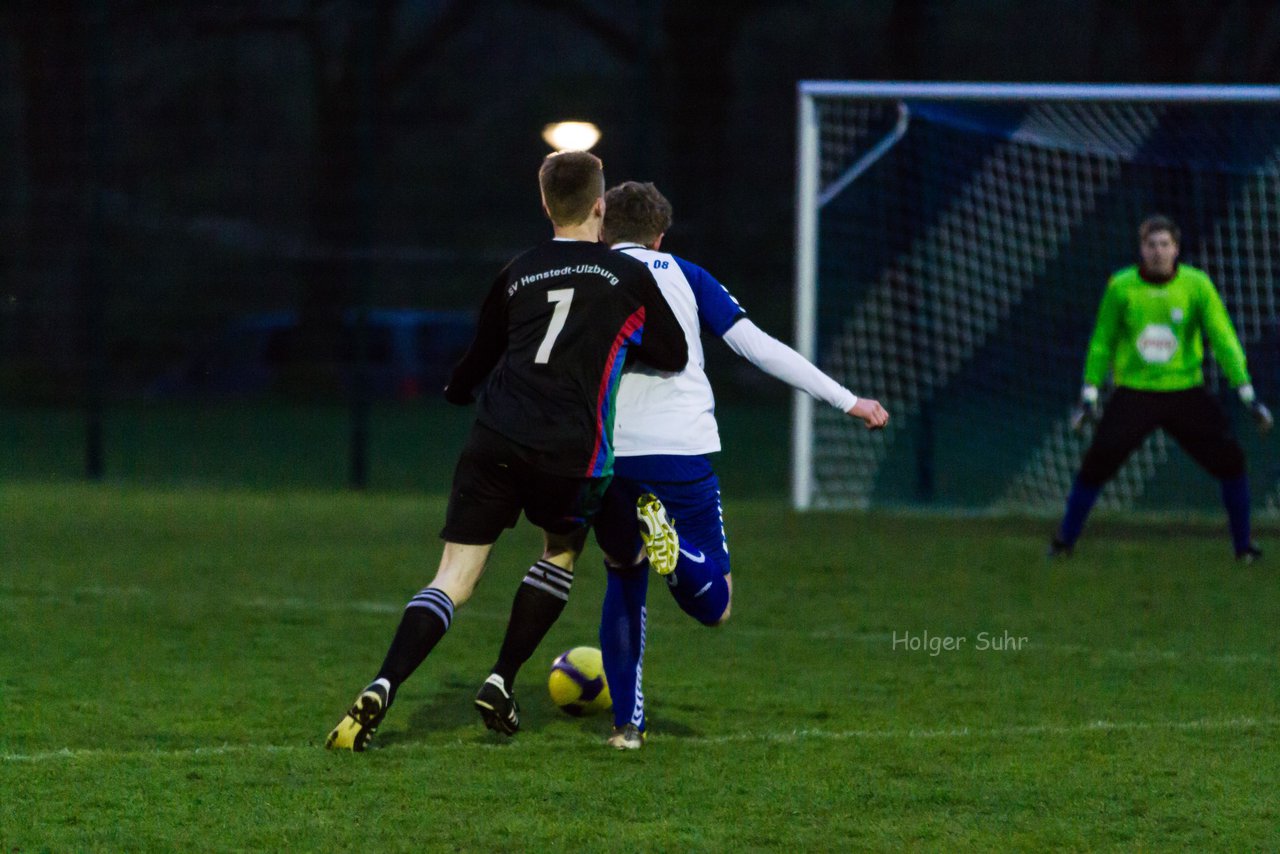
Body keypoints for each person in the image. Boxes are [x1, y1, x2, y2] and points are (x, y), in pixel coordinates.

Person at [325, 152, 687, 751]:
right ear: (601, 206)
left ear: (545, 205)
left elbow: (475, 363)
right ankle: (501, 677)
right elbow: (671, 354)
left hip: (495, 437)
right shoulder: (625, 277)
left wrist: (455, 391)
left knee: (452, 579)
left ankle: (384, 684)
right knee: (561, 551)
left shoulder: (518, 271)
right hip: (571, 453)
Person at [585, 181, 889, 749]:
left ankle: (627, 727)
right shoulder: (685, 274)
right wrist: (848, 400)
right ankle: (677, 550)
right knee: (717, 605)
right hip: (677, 450)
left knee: (623, 575)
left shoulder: (588, 279)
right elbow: (757, 346)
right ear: (659, 234)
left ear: (603, 230)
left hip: (607, 456)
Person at [1049, 214, 1272, 561]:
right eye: (1151, 245)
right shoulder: (1121, 286)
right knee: (1097, 463)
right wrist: (1090, 392)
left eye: (1165, 245)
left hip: (1185, 392)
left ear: (1176, 249)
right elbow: (1101, 342)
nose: (1158, 252)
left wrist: (1246, 392)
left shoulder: (1196, 285)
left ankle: (1244, 547)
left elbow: (1222, 337)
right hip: (1135, 393)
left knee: (1231, 461)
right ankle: (1064, 542)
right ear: (1141, 249)